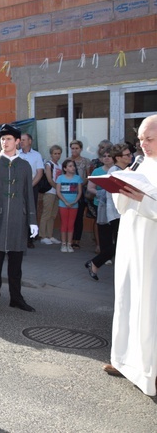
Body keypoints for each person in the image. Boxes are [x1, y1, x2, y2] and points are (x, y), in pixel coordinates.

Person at [104, 115, 157, 396]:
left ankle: (149, 370)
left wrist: (142, 200)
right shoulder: (140, 164)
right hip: (129, 240)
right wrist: (119, 189)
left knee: (147, 306)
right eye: (140, 140)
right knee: (127, 299)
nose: (143, 145)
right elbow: (124, 204)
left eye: (149, 139)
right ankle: (124, 360)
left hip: (151, 246)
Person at [0, 124, 38, 312]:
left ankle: (16, 298)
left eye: (9, 139)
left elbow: (28, 194)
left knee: (16, 264)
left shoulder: (25, 166)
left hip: (17, 222)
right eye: (2, 139)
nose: (5, 142)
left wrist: (32, 220)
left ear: (18, 142)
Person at [85, 143, 129, 279]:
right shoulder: (115, 171)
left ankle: (96, 263)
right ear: (119, 157)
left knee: (122, 243)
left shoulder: (123, 170)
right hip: (117, 213)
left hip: (121, 213)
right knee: (122, 243)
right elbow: (117, 194)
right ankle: (95, 262)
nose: (131, 156)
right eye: (127, 155)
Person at [18, 133, 45, 248]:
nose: (21, 142)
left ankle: (30, 238)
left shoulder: (36, 155)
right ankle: (19, 237)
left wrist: (30, 186)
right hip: (17, 188)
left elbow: (39, 173)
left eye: (24, 140)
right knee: (18, 212)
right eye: (20, 140)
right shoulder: (16, 154)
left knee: (30, 211)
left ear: (30, 141)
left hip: (31, 187)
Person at [55, 159, 83, 253]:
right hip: (63, 204)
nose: (73, 168)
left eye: (73, 166)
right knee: (64, 223)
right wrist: (65, 202)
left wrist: (75, 201)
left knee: (71, 224)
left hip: (74, 205)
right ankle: (63, 243)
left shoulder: (78, 178)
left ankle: (69, 244)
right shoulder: (60, 178)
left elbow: (79, 192)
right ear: (65, 168)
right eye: (70, 166)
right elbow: (58, 191)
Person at [39, 145, 63, 245]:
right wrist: (57, 189)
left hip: (57, 192)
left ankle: (50, 235)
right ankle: (42, 235)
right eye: (55, 153)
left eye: (59, 153)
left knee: (53, 215)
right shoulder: (49, 164)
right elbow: (49, 179)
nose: (57, 155)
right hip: (50, 192)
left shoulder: (60, 165)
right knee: (46, 214)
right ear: (51, 154)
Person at [68, 140, 90, 249]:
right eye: (72, 148)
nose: (74, 150)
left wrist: (80, 184)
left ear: (81, 149)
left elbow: (88, 176)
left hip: (81, 191)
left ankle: (77, 239)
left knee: (79, 216)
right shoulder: (67, 160)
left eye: (77, 148)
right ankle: (69, 239)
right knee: (70, 216)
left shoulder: (86, 161)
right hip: (69, 191)